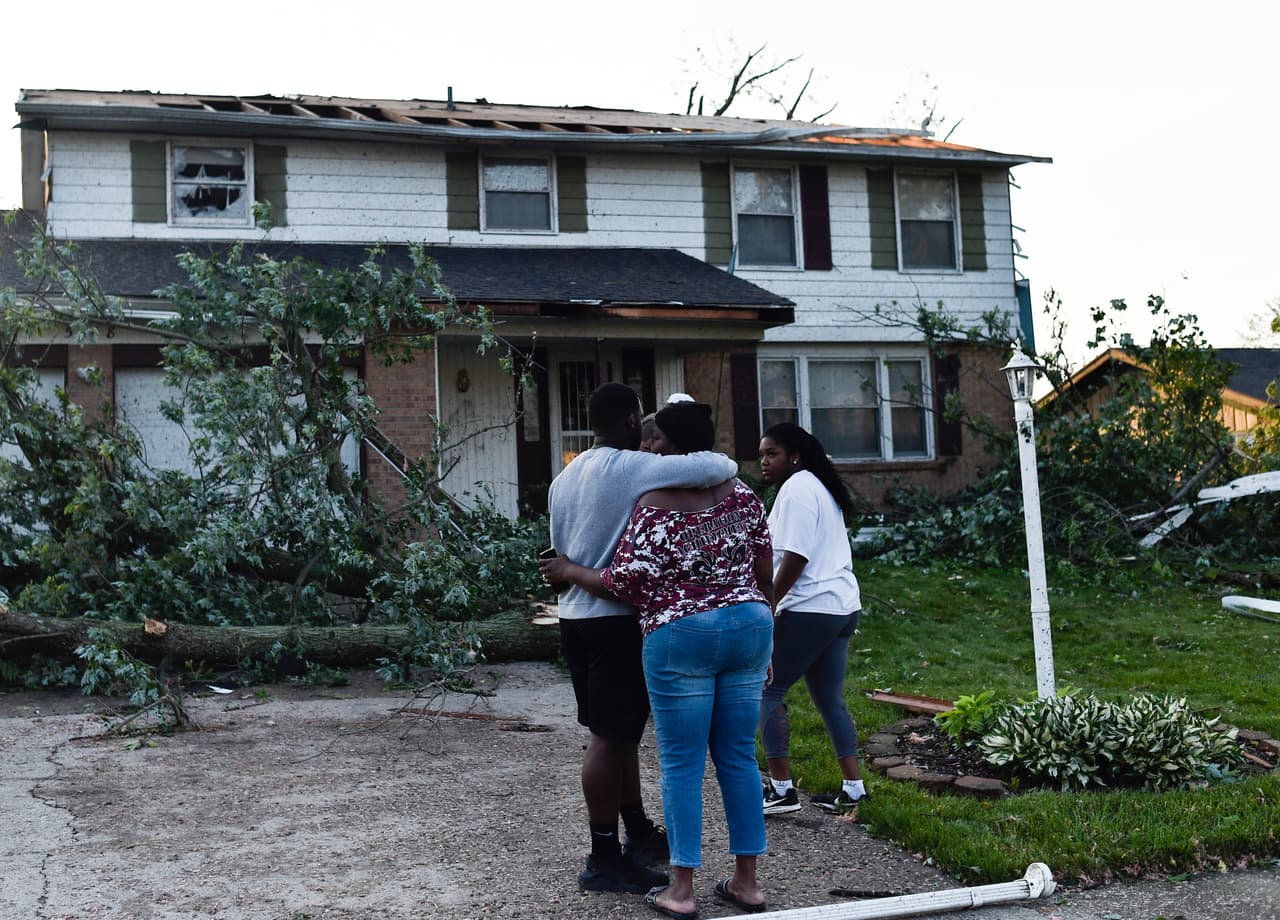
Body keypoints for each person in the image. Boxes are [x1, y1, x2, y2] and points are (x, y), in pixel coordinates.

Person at [543, 401, 774, 919]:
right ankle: (747, 884)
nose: (649, 447)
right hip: (750, 626)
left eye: (657, 440)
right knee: (739, 757)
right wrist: (769, 637)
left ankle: (682, 891)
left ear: (671, 446)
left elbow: (628, 581)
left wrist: (569, 570)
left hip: (682, 632)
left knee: (682, 761)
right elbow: (764, 568)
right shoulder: (744, 495)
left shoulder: (654, 503)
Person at [757, 422, 868, 815]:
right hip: (840, 607)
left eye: (772, 454)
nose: (764, 461)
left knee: (765, 691)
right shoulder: (817, 486)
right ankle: (854, 789)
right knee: (829, 698)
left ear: (794, 456)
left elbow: (797, 557)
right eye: (761, 454)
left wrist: (769, 603)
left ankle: (781, 791)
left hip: (811, 608)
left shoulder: (799, 488)